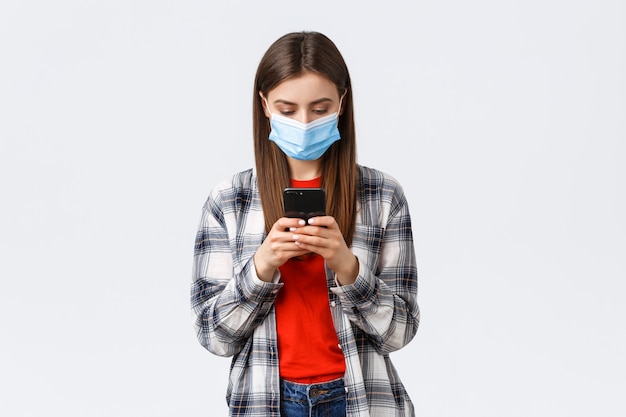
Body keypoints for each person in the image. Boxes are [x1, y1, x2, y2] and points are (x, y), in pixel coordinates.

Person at [191, 31, 419, 417]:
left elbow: (399, 332)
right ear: (264, 105)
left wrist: (349, 268)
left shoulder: (381, 195)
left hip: (361, 399)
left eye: (319, 108)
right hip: (267, 400)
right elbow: (214, 337)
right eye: (287, 109)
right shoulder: (230, 199)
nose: (304, 122)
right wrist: (261, 268)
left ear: (342, 103)